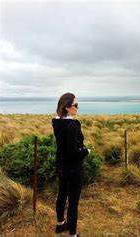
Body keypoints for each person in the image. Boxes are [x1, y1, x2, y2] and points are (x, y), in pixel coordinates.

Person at [52, 92, 90, 237]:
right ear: (67, 107)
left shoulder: (57, 122)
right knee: (73, 202)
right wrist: (86, 152)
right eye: (75, 105)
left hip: (62, 166)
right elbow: (73, 151)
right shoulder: (73, 125)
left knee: (62, 195)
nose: (77, 108)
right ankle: (73, 234)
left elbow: (64, 148)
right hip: (74, 168)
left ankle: (60, 224)